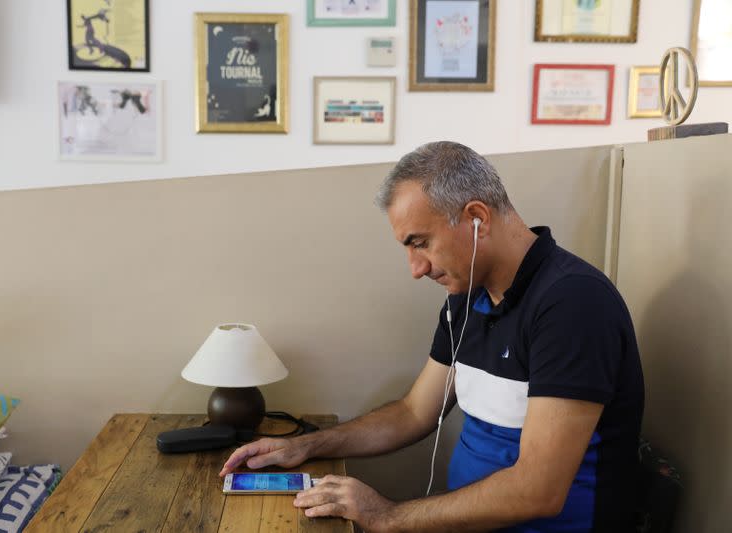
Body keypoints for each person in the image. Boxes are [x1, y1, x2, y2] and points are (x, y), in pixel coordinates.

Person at [219, 141, 644, 532]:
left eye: (420, 243)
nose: (416, 268)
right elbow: (413, 413)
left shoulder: (573, 304)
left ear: (477, 219)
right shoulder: (467, 295)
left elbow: (538, 490)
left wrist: (387, 516)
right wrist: (307, 445)